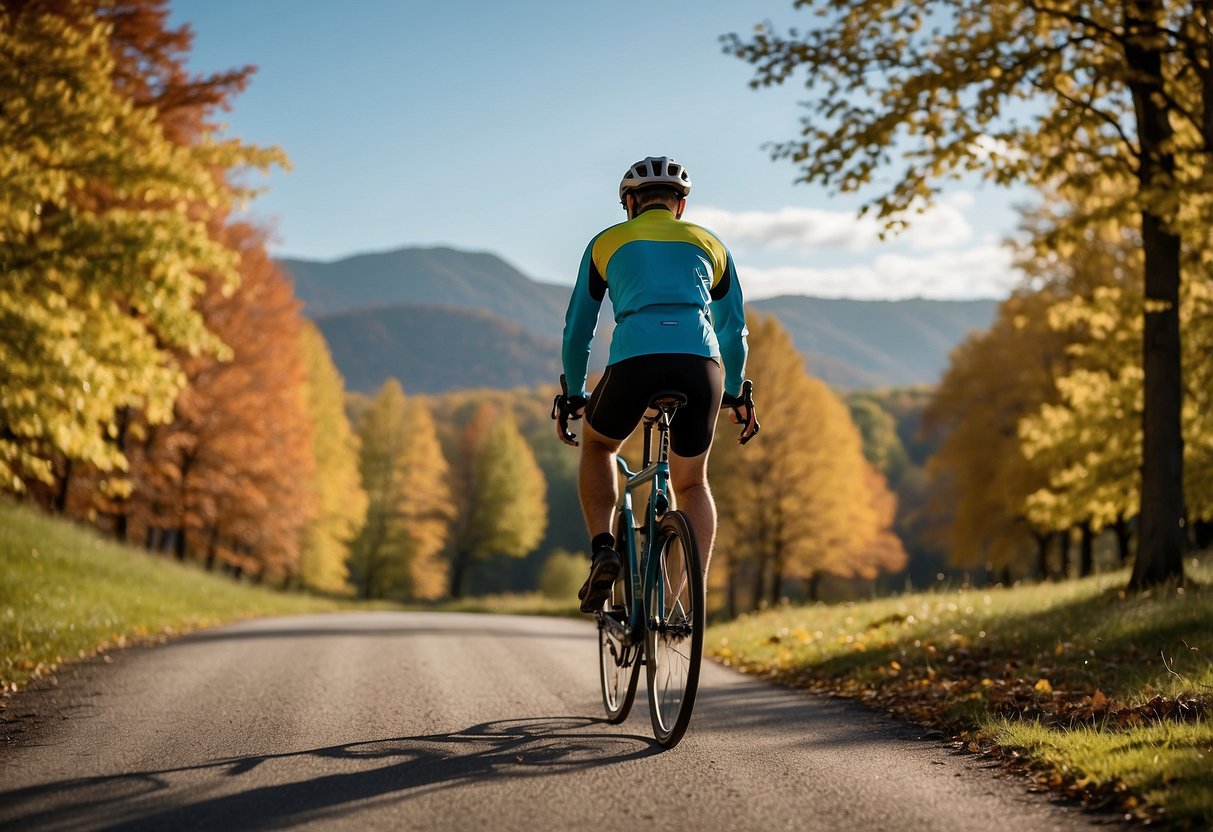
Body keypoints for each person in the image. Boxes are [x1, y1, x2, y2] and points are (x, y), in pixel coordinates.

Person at [554, 155, 757, 613]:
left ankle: (604, 548)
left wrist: (572, 394)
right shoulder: (711, 244)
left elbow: (577, 330)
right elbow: (733, 330)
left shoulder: (606, 242)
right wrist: (737, 390)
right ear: (680, 207)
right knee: (692, 484)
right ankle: (684, 596)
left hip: (634, 362)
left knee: (600, 447)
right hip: (700, 366)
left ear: (629, 203)